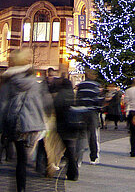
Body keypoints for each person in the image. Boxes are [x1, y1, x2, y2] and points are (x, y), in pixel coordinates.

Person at [0, 49, 47, 192]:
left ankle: (18, 186)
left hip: (11, 122)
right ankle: (22, 187)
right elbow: (39, 104)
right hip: (28, 124)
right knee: (23, 159)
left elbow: (2, 104)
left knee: (15, 157)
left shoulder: (7, 81)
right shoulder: (33, 82)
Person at [76, 69, 103, 165]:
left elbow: (77, 99)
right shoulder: (96, 85)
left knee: (80, 136)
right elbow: (98, 100)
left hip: (81, 112)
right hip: (91, 112)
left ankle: (78, 158)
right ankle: (93, 157)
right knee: (92, 135)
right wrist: (99, 108)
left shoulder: (81, 85)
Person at [54, 77, 79, 181]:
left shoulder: (59, 95)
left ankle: (72, 172)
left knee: (68, 150)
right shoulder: (74, 95)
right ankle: (72, 172)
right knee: (71, 149)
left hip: (63, 126)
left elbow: (56, 110)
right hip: (74, 125)